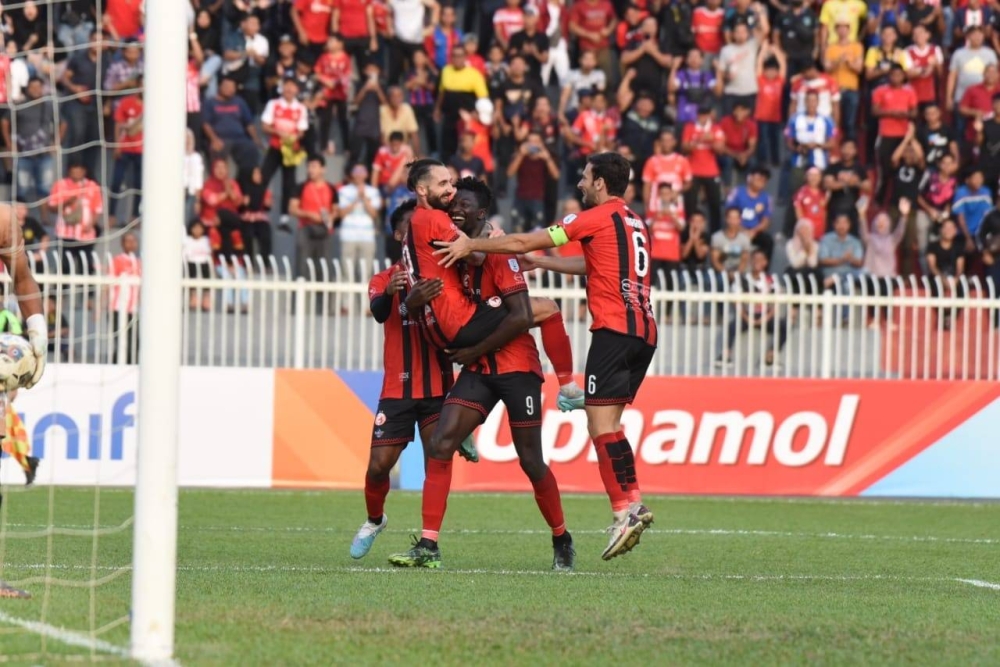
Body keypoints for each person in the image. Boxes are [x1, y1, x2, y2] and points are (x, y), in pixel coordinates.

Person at [433, 152, 656, 561]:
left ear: (602, 183)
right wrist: (540, 263)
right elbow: (595, 266)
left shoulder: (593, 217)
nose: (581, 184)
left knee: (601, 426)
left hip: (613, 329)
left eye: (587, 178)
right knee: (610, 425)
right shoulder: (633, 221)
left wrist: (474, 244)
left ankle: (625, 510)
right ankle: (632, 502)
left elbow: (520, 241)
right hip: (644, 331)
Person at [350, 200, 477, 561]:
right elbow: (378, 314)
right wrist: (398, 297)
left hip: (439, 389)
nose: (419, 233)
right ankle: (375, 519)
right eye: (410, 228)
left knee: (438, 459)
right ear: (398, 235)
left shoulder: (444, 273)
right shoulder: (385, 278)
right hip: (397, 391)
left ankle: (429, 542)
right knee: (378, 467)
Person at [289, 156, 338, 279]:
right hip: (306, 228)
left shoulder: (331, 188)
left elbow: (336, 209)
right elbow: (292, 208)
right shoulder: (301, 186)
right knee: (302, 265)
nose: (311, 170)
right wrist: (308, 214)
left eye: (314, 167)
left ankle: (322, 297)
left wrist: (331, 217)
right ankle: (299, 295)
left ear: (323, 169)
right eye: (309, 167)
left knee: (324, 266)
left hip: (325, 229)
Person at [109, 233, 141, 365]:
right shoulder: (117, 260)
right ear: (122, 244)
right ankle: (117, 366)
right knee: (122, 341)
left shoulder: (139, 262)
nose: (131, 243)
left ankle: (130, 366)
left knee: (135, 342)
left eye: (133, 240)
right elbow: (109, 283)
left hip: (133, 309)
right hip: (118, 308)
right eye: (128, 241)